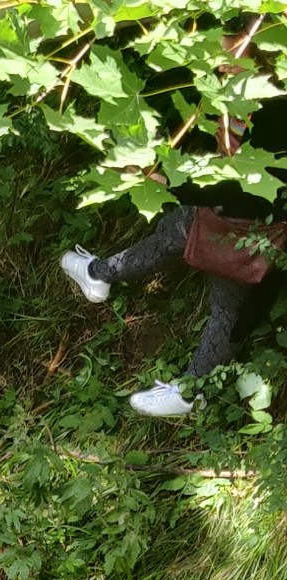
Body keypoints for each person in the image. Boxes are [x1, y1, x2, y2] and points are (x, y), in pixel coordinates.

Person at [59, 24, 287, 418]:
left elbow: (249, 190)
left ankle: (191, 391)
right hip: (223, 211)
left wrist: (166, 180)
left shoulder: (276, 111)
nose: (222, 65)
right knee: (172, 234)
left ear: (261, 54)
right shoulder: (233, 95)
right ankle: (99, 274)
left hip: (251, 226)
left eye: (232, 56)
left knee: (227, 307)